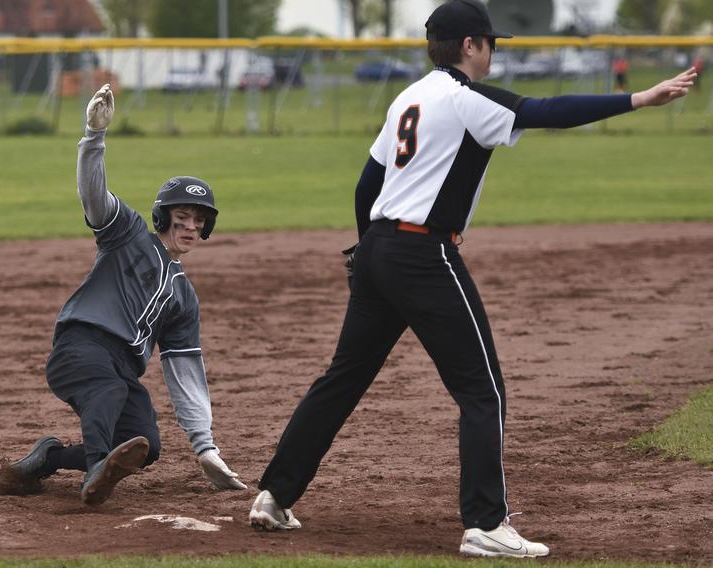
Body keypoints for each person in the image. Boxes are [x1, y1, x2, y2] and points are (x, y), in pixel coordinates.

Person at [248, 0, 696, 558]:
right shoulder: (466, 97)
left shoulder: (407, 96)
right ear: (469, 45)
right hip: (423, 253)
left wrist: (366, 251)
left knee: (342, 378)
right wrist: (639, 98)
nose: (493, 51)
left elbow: (368, 186)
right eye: (491, 42)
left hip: (380, 249)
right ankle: (485, 522)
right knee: (483, 391)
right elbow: (549, 109)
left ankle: (274, 494)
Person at [11, 84, 247, 505]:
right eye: (182, 217)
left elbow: (185, 374)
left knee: (144, 443)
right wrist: (93, 137)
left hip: (120, 367)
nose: (191, 226)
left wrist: (205, 447)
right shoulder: (129, 233)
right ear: (162, 217)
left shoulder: (185, 299)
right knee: (110, 392)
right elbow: (94, 195)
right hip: (80, 347)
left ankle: (50, 457)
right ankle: (98, 467)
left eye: (199, 221)